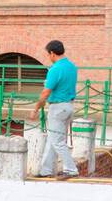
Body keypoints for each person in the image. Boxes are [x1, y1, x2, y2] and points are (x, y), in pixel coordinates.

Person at [30, 39, 79, 179]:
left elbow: (46, 92)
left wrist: (36, 108)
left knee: (57, 141)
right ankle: (46, 170)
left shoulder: (55, 69)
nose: (48, 57)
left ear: (52, 53)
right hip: (69, 106)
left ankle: (71, 169)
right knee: (53, 139)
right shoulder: (72, 66)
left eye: (48, 54)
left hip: (57, 108)